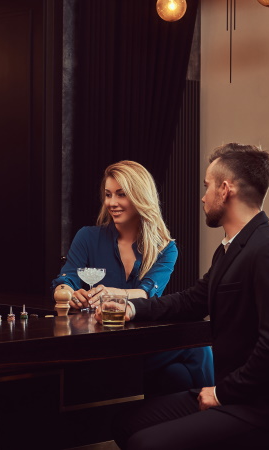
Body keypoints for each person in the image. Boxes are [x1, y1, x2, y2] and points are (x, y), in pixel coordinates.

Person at [112, 144, 269, 449]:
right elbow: (193, 300)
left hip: (268, 410)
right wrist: (133, 309)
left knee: (145, 443)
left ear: (225, 189)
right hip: (235, 395)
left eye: (207, 186)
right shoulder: (230, 248)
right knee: (127, 423)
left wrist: (221, 393)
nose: (204, 196)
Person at [52, 161, 213, 396]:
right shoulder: (87, 237)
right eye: (108, 195)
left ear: (140, 197)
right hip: (96, 345)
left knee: (178, 373)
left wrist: (113, 293)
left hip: (140, 345)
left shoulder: (165, 248)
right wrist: (70, 293)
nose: (112, 203)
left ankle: (185, 424)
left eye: (121, 194)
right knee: (194, 355)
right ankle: (216, 414)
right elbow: (65, 280)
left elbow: (147, 293)